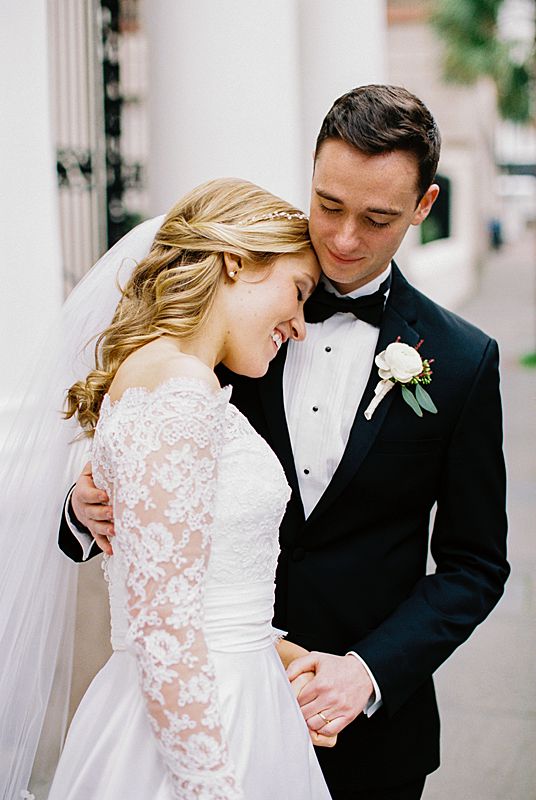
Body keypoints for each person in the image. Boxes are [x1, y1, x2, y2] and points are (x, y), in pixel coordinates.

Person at [61, 85, 509, 800]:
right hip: (195, 715)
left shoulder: (462, 361)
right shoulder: (237, 312)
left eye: (378, 218)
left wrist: (366, 670)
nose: (342, 239)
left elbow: (475, 564)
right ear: (312, 173)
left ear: (424, 208)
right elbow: (144, 443)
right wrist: (84, 506)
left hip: (367, 735)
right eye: (329, 204)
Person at [3, 177, 336, 799]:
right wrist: (209, 785)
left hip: (231, 692)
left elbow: (199, 592)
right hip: (204, 723)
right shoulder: (180, 393)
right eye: (297, 291)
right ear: (237, 260)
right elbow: (163, 626)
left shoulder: (173, 382)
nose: (299, 325)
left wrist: (284, 657)